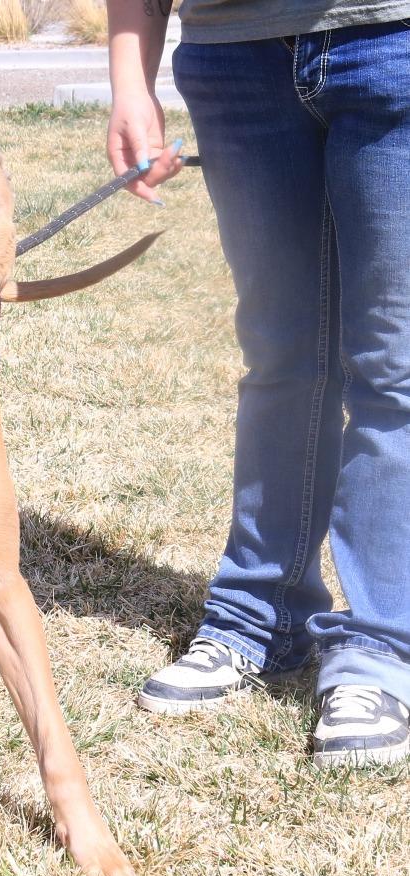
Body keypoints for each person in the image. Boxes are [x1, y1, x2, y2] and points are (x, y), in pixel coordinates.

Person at [105, 1, 410, 765]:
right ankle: (258, 619)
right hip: (233, 52)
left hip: (393, 35)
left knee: (392, 363)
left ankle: (380, 646)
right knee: (281, 354)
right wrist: (129, 78)